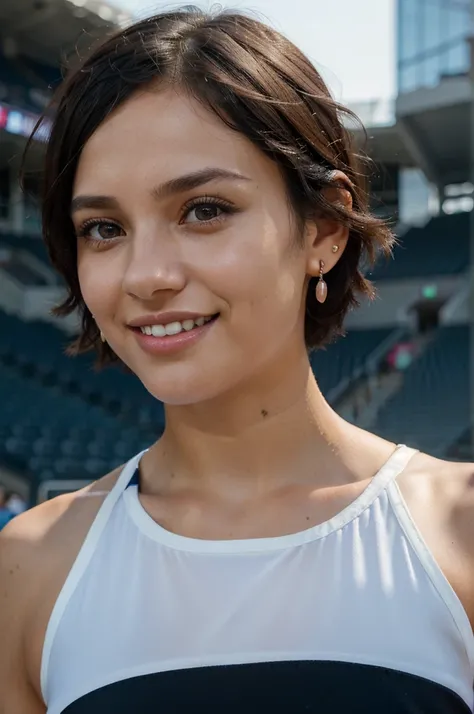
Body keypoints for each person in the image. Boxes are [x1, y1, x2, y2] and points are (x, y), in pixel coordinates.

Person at [1, 8, 473, 713]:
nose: (146, 275)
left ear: (325, 228)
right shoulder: (30, 565)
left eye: (204, 210)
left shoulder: (460, 528)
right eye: (104, 228)